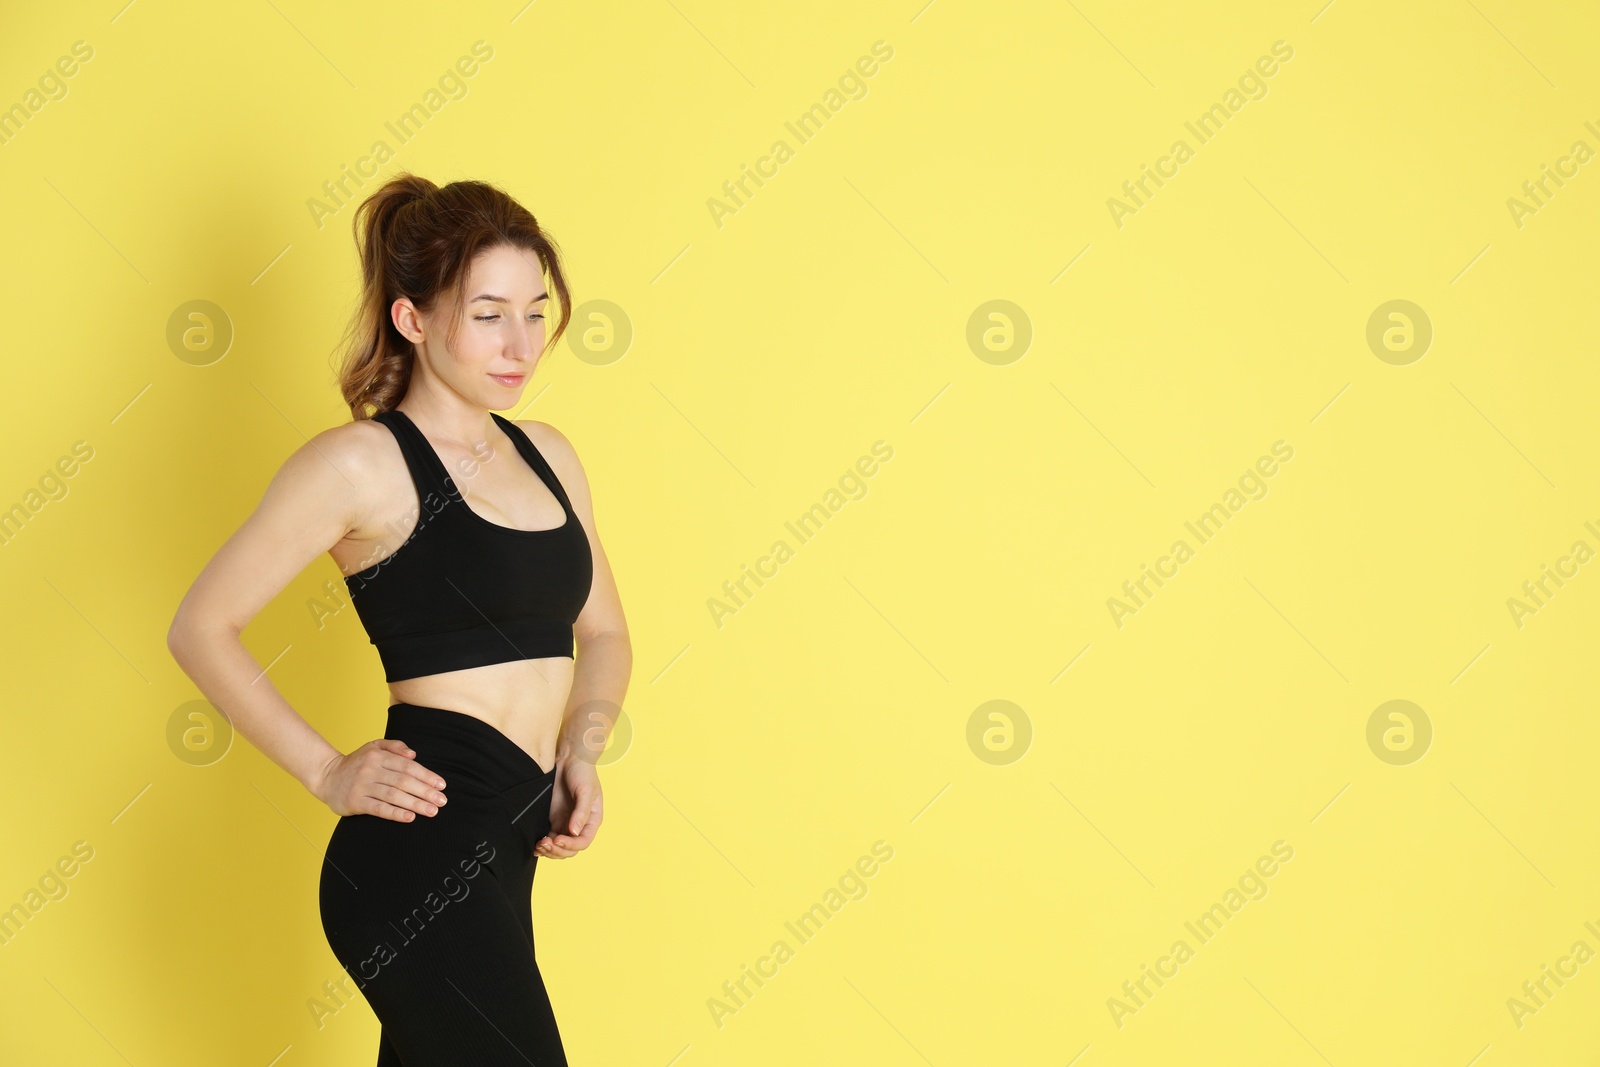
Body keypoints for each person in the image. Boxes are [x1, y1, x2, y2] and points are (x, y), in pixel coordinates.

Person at [166, 172, 630, 1066]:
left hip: (510, 847)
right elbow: (201, 624)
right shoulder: (360, 466)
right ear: (412, 319)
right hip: (417, 856)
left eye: (536, 310)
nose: (521, 341)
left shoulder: (552, 456)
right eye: (488, 311)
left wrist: (582, 746)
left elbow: (604, 632)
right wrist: (328, 770)